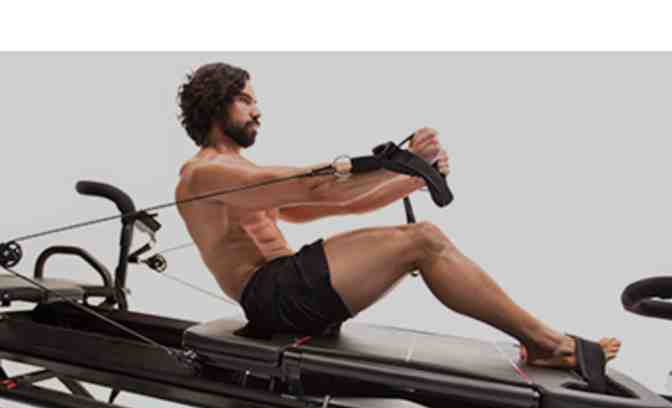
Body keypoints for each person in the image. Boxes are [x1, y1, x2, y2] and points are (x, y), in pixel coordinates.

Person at [175, 62, 621, 369]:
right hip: (273, 297)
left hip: (290, 292)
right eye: (246, 100)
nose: (257, 111)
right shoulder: (203, 174)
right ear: (217, 103)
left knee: (422, 240)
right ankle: (547, 344)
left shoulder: (241, 174)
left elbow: (335, 202)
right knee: (423, 239)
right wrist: (401, 161)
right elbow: (314, 185)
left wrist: (413, 177)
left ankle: (541, 341)